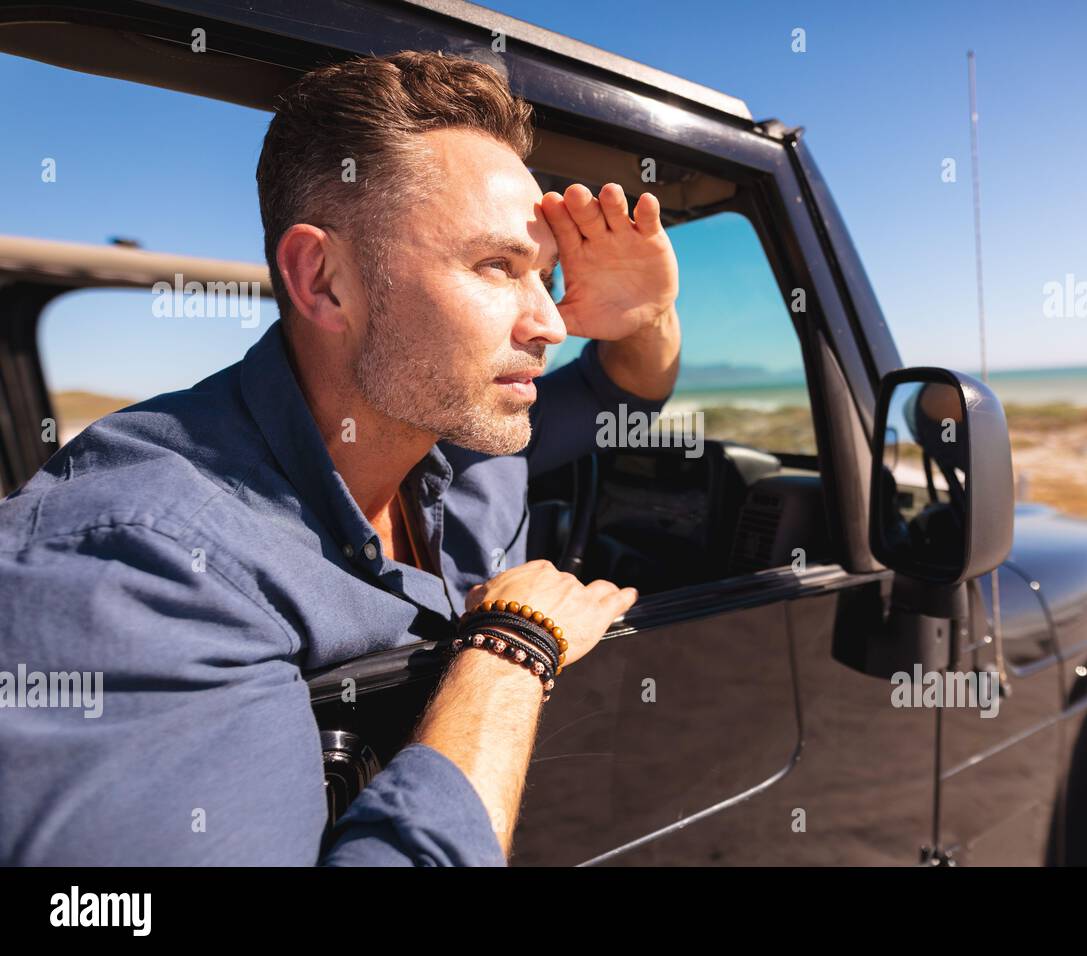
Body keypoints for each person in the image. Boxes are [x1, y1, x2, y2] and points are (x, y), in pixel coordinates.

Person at [0, 50, 680, 865]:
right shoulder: (136, 569)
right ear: (322, 280)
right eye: (496, 266)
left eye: (544, 274)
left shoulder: (465, 436)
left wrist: (646, 314)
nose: (550, 324)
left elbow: (626, 389)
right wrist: (508, 654)